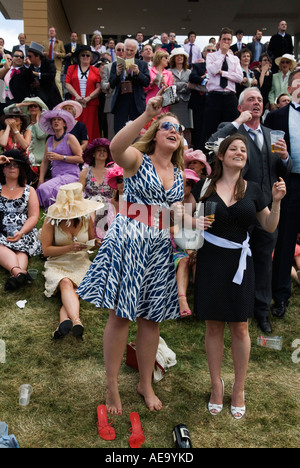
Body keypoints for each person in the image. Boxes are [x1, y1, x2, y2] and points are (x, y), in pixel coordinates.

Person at [77, 96, 185, 415]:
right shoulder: (139, 159)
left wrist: (184, 219)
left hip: (159, 245)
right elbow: (115, 149)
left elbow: (171, 216)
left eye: (177, 128)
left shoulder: (178, 174)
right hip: (130, 239)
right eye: (167, 125)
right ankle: (112, 386)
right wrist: (146, 115)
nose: (172, 130)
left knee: (151, 318)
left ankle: (144, 383)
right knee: (122, 315)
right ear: (155, 133)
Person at [190, 134, 286, 419]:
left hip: (240, 264)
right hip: (210, 261)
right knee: (214, 326)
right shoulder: (206, 187)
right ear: (221, 155)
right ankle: (216, 385)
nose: (239, 152)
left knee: (240, 327)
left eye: (243, 150)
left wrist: (278, 201)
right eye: (233, 148)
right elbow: (188, 219)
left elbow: (269, 226)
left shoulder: (254, 189)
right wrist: (193, 221)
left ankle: (240, 388)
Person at [207, 87, 292, 333]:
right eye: (251, 99)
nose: (256, 103)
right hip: (237, 208)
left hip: (264, 207)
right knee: (233, 259)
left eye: (259, 99)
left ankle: (262, 312)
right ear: (240, 106)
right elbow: (212, 145)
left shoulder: (270, 134)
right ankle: (232, 307)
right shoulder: (231, 128)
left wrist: (285, 158)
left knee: (264, 261)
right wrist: (238, 122)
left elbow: (282, 170)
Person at [41, 182, 103, 340]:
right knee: (65, 283)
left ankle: (65, 321)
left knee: (73, 289)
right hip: (57, 261)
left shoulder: (86, 217)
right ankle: (76, 320)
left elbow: (89, 241)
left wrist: (94, 243)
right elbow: (46, 250)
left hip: (80, 261)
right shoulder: (51, 220)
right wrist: (69, 248)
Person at [264, 69, 300, 318]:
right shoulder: (277, 117)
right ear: (291, 85)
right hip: (292, 182)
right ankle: (280, 295)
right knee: (286, 240)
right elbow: (270, 154)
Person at [0, 150, 41, 292]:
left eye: (16, 165)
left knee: (21, 250)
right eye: (8, 164)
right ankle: (19, 273)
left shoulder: (29, 190)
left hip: (24, 231)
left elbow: (34, 216)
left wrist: (21, 232)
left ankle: (17, 274)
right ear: (2, 168)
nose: (12, 167)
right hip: (2, 231)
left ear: (21, 169)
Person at [202, 28, 243, 149]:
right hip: (215, 95)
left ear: (231, 41)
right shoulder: (211, 56)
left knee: (232, 128)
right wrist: (223, 55)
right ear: (219, 41)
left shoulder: (235, 59)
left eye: (228, 39)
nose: (226, 41)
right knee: (210, 128)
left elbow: (239, 78)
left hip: (229, 96)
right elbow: (213, 70)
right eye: (224, 39)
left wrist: (223, 73)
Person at [36, 109, 83, 210]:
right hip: (56, 176)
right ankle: (57, 208)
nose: (56, 122)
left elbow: (80, 158)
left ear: (64, 124)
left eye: (59, 120)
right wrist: (41, 179)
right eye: (53, 120)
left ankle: (52, 209)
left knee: (45, 188)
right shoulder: (49, 140)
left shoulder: (70, 138)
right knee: (44, 187)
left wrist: (61, 157)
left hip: (71, 175)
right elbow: (45, 161)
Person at [171, 168, 200, 318]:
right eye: (181, 183)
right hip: (173, 247)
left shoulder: (196, 204)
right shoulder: (171, 203)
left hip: (193, 246)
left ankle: (200, 305)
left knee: (195, 260)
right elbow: (172, 230)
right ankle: (182, 301)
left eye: (187, 184)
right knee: (184, 261)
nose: (184, 187)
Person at [109, 38, 150, 134]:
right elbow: (111, 84)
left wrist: (138, 72)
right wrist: (118, 74)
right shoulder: (116, 64)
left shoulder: (142, 64)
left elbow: (146, 82)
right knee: (119, 130)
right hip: (121, 101)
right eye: (127, 49)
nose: (129, 52)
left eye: (131, 50)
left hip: (136, 102)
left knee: (137, 131)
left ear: (136, 51)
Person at [65, 45, 101, 142]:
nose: (85, 57)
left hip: (90, 104)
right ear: (79, 57)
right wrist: (77, 96)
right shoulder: (71, 68)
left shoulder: (96, 70)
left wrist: (88, 98)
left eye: (87, 55)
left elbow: (99, 87)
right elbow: (67, 83)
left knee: (90, 128)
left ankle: (89, 151)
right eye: (83, 55)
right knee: (75, 127)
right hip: (75, 104)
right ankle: (74, 149)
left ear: (91, 57)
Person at [26, 41, 62, 110]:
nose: (28, 58)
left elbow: (51, 76)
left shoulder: (48, 63)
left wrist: (36, 74)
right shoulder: (28, 66)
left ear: (37, 56)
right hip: (36, 99)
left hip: (50, 97)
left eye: (30, 56)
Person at [169, 48, 193, 145]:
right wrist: (184, 84)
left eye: (182, 56)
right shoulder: (169, 71)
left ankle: (187, 149)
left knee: (187, 128)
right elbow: (170, 85)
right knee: (174, 126)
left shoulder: (189, 72)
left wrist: (178, 85)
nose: (180, 57)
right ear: (173, 58)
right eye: (177, 56)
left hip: (186, 103)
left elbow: (190, 86)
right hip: (174, 103)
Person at [42, 27, 66, 98]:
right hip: (47, 64)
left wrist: (58, 54)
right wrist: (44, 53)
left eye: (53, 31)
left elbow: (64, 54)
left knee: (57, 81)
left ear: (55, 33)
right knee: (47, 82)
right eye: (50, 31)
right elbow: (41, 53)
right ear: (48, 33)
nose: (51, 32)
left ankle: (60, 98)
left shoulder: (60, 42)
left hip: (56, 64)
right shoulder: (44, 42)